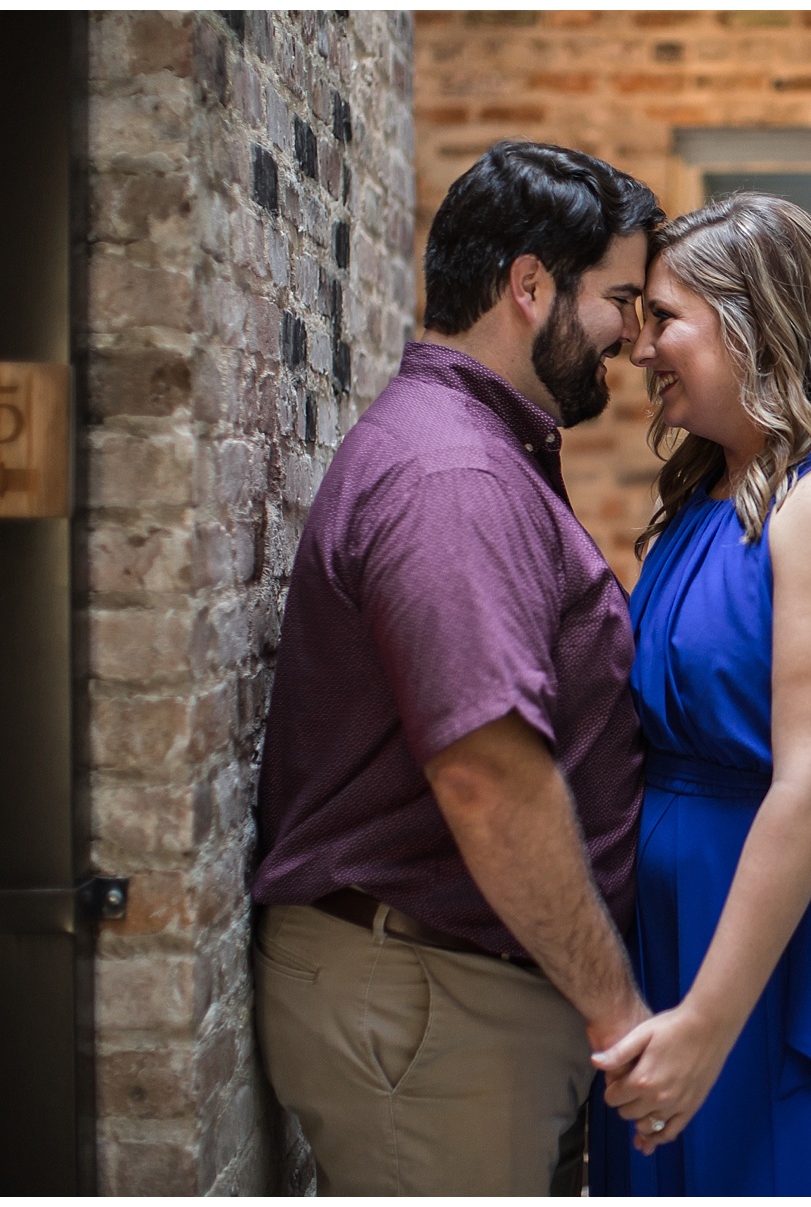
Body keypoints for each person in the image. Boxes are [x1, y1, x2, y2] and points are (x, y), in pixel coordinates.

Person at [248, 141, 662, 1195]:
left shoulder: (475, 447)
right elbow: (488, 773)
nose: (634, 332)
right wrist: (617, 1012)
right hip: (436, 1003)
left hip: (452, 994)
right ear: (531, 286)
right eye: (620, 297)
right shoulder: (455, 474)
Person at [588, 194, 811, 1195]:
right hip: (675, 922)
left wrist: (707, 1021)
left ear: (753, 324)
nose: (639, 345)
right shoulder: (707, 494)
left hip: (808, 935)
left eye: (665, 318)